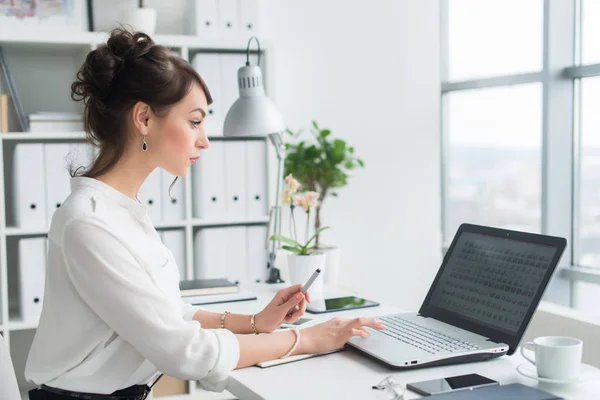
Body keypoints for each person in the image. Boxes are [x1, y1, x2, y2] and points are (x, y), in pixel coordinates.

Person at [24, 28, 385, 399]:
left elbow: (168, 314)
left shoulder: (120, 210)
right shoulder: (90, 223)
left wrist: (257, 323)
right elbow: (187, 353)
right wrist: (307, 338)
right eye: (195, 121)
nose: (204, 139)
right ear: (144, 119)